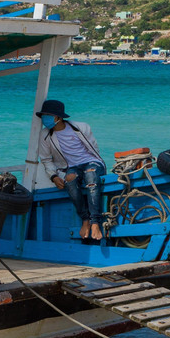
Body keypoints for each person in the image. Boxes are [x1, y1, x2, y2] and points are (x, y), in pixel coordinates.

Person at [36, 99, 106, 241]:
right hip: (71, 167)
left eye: (48, 115)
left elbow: (94, 149)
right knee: (70, 181)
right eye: (43, 115)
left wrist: (93, 167)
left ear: (58, 117)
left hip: (92, 162)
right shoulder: (45, 135)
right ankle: (85, 219)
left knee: (91, 175)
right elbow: (46, 160)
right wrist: (53, 176)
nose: (45, 119)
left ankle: (95, 222)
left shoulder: (81, 127)